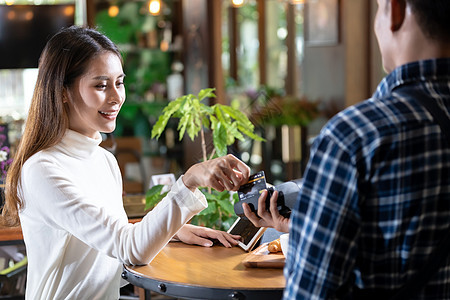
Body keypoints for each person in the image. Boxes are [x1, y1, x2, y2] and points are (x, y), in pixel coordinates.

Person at [1, 26, 250, 299]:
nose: (116, 96)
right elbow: (128, 247)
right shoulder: (43, 170)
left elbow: (110, 242)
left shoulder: (104, 160)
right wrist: (189, 180)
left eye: (119, 82)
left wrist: (172, 232)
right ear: (62, 91)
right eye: (100, 85)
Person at [244, 0, 450, 298]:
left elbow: (310, 293)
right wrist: (302, 229)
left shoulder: (356, 135)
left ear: (394, 11)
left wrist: (309, 239)